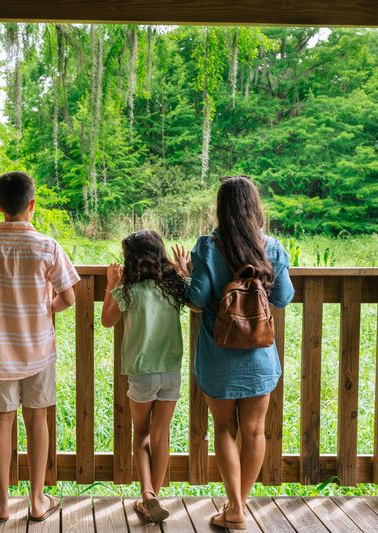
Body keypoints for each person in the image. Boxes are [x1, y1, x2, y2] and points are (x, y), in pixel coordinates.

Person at [0, 171, 79, 523]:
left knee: (1, 420)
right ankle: (38, 501)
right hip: (38, 349)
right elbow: (69, 296)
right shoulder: (47, 246)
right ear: (32, 205)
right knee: (37, 418)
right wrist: (47, 309)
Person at [174, 175, 294, 530]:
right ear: (254, 206)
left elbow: (196, 299)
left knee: (225, 428)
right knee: (255, 431)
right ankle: (238, 506)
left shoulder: (208, 246)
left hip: (218, 354)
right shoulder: (272, 247)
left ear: (221, 207)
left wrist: (187, 273)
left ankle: (236, 508)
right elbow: (283, 297)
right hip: (258, 356)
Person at [100, 230, 189, 524]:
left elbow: (107, 321)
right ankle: (153, 496)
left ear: (132, 259)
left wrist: (111, 285)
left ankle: (148, 495)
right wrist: (183, 270)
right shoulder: (173, 286)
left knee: (141, 435)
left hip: (142, 373)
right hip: (171, 372)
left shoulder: (130, 291)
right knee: (161, 435)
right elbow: (195, 299)